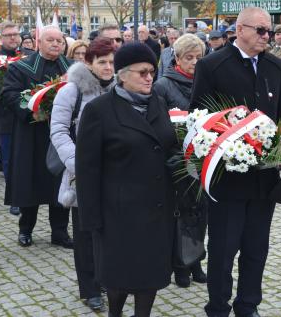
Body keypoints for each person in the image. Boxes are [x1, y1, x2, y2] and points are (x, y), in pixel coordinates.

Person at [190, 7, 281, 317]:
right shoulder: (212, 65)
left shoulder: (275, 66)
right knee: (223, 250)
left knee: (256, 248)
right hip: (228, 178)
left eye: (270, 30)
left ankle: (248, 305)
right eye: (260, 30)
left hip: (264, 179)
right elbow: (198, 118)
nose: (267, 36)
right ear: (240, 30)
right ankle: (218, 306)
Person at [76, 42, 176, 317]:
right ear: (121, 74)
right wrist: (91, 220)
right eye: (142, 72)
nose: (149, 78)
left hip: (157, 208)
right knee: (118, 277)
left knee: (150, 277)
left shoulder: (157, 102)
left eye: (152, 72)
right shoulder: (99, 110)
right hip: (118, 214)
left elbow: (167, 146)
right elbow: (86, 170)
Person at [50, 37, 116, 312]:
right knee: (85, 232)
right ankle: (90, 288)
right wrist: (78, 163)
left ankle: (108, 278)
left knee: (110, 231)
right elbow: (58, 131)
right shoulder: (71, 91)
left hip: (114, 172)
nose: (108, 68)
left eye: (112, 62)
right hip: (82, 173)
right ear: (88, 63)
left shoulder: (119, 88)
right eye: (102, 62)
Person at [1, 25, 73, 248]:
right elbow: (9, 95)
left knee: (61, 181)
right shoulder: (20, 68)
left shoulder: (72, 68)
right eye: (50, 40)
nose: (55, 44)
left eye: (59, 41)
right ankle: (26, 229)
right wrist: (34, 109)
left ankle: (60, 232)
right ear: (38, 42)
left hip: (61, 134)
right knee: (29, 181)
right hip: (32, 133)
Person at [153, 34, 208, 288]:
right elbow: (158, 125)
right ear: (177, 58)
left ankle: (196, 260)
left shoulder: (206, 81)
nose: (195, 62)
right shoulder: (163, 85)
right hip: (176, 160)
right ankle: (180, 265)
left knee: (200, 213)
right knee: (181, 213)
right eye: (189, 57)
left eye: (199, 57)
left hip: (202, 159)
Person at [0, 21, 33, 216]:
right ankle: (14, 198)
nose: (13, 37)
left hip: (27, 112)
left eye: (16, 34)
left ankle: (30, 193)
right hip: (4, 115)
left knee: (27, 156)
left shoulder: (30, 56)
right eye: (8, 35)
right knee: (10, 159)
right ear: (1, 38)